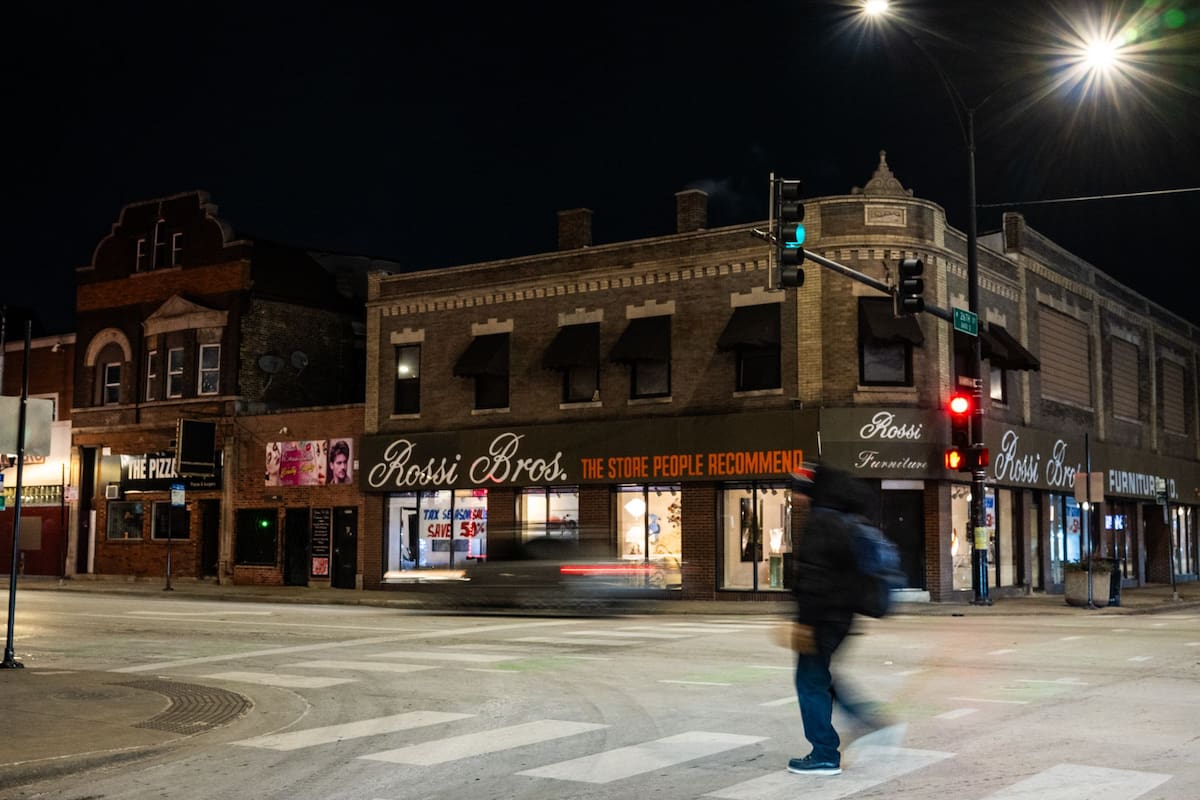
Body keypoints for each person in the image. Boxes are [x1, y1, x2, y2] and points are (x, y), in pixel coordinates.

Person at [788, 464, 894, 776]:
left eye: (798, 492)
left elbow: (814, 576)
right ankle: (868, 722)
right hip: (842, 615)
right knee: (821, 676)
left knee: (809, 681)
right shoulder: (846, 519)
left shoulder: (821, 521)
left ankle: (824, 753)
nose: (797, 498)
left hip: (822, 617)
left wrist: (804, 623)